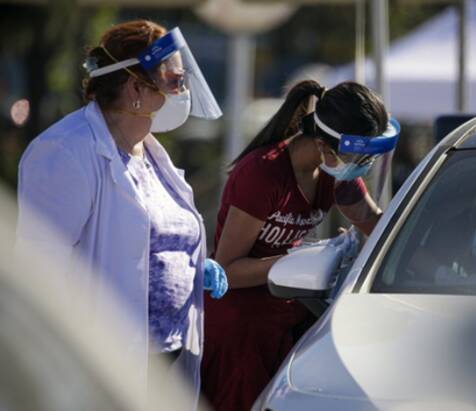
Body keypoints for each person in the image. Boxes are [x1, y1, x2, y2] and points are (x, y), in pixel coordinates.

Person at [15, 20, 227, 408]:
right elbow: (38, 271)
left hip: (166, 354)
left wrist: (192, 265)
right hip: (104, 361)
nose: (182, 92)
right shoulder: (66, 151)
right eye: (174, 81)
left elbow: (147, 238)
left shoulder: (149, 152)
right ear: (134, 89)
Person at [200, 80, 400, 410]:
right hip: (239, 332)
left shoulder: (337, 169)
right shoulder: (263, 173)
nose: (362, 165)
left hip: (287, 320)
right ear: (323, 144)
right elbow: (228, 270)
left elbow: (374, 225)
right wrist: (305, 259)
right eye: (358, 156)